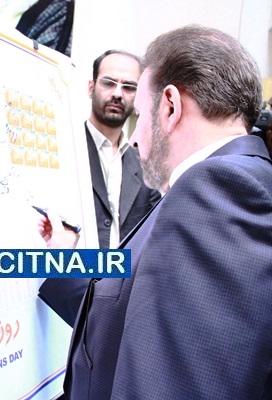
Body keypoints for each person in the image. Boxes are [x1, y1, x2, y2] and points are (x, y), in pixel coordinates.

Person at [38, 24, 272, 399]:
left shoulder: (217, 187)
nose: (135, 137)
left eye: (140, 114)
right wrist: (59, 261)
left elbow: (177, 378)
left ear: (170, 107)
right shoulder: (217, 184)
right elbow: (133, 295)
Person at [37, 49, 160, 327]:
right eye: (109, 82)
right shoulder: (60, 147)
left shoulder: (146, 162)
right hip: (61, 305)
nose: (118, 93)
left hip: (119, 306)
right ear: (91, 87)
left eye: (129, 87)